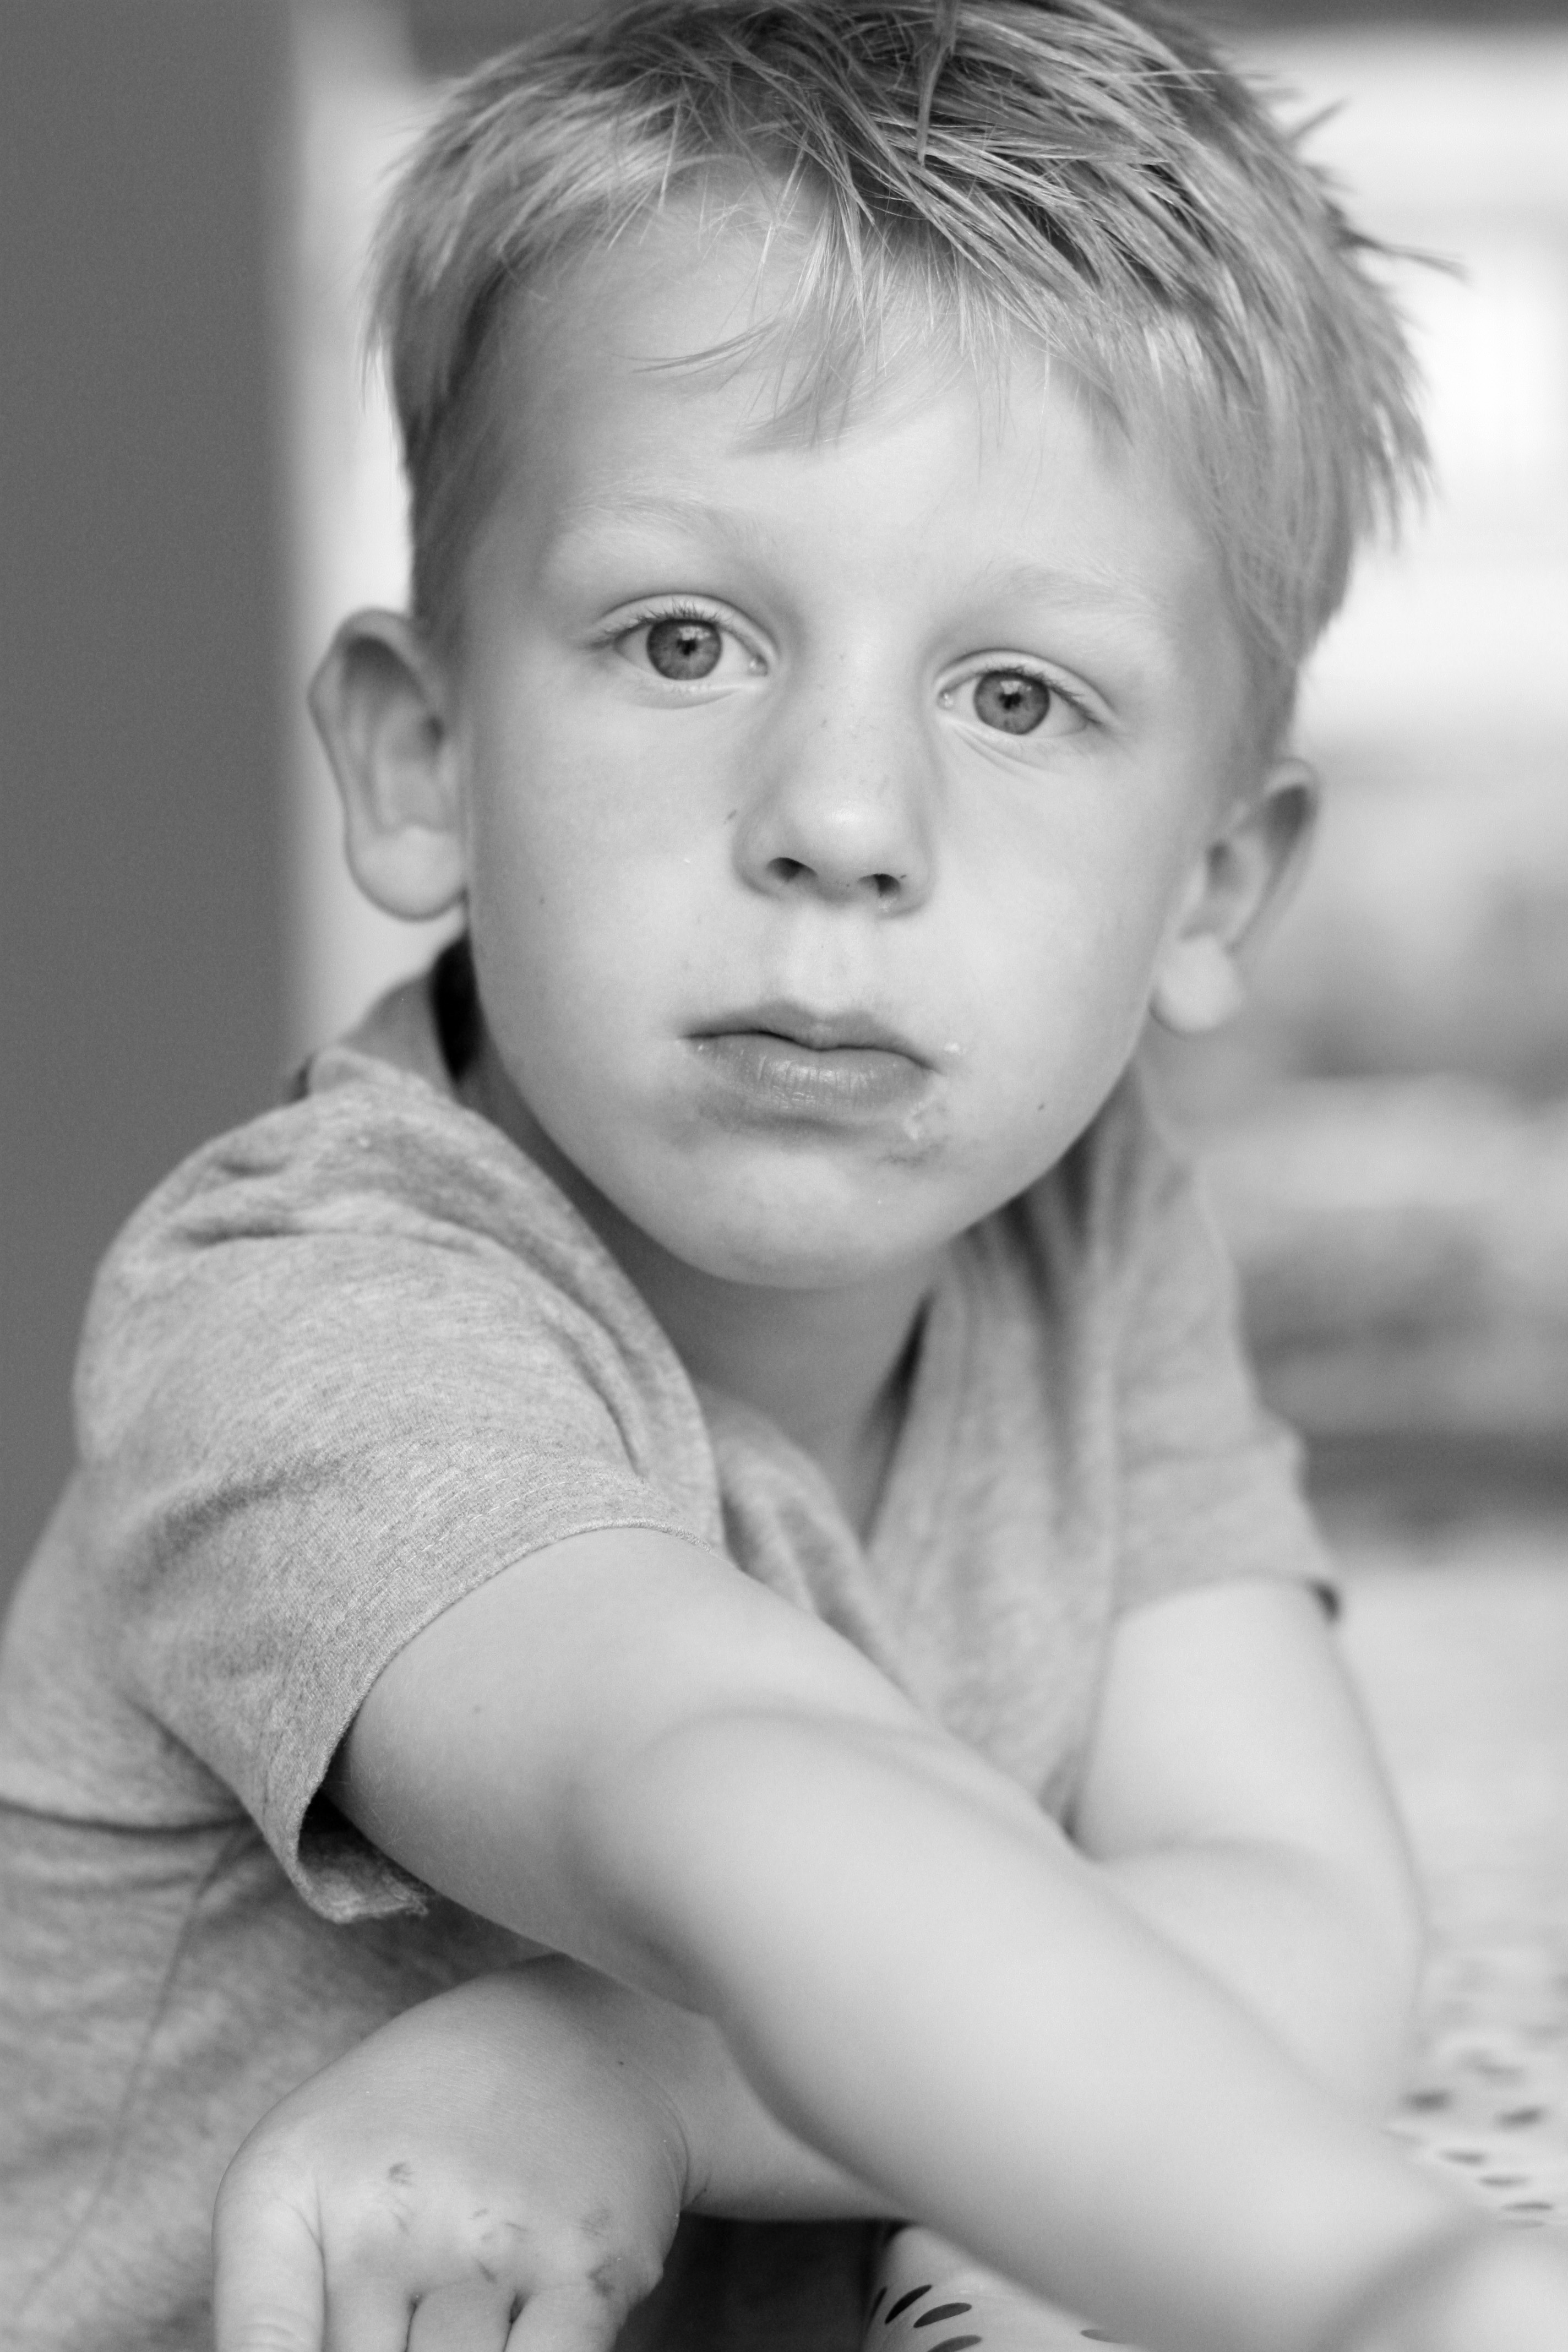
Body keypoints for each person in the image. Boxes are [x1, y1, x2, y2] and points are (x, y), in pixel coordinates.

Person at [4, 2, 1566, 2348]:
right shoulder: (308, 1316)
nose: (840, 820)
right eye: (684, 639)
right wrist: (1379, 2296)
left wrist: (637, 2071)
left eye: (1017, 696)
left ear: (1213, 888)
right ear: (422, 758)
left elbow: (1299, 1919)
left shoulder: (1080, 1221)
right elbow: (719, 1780)